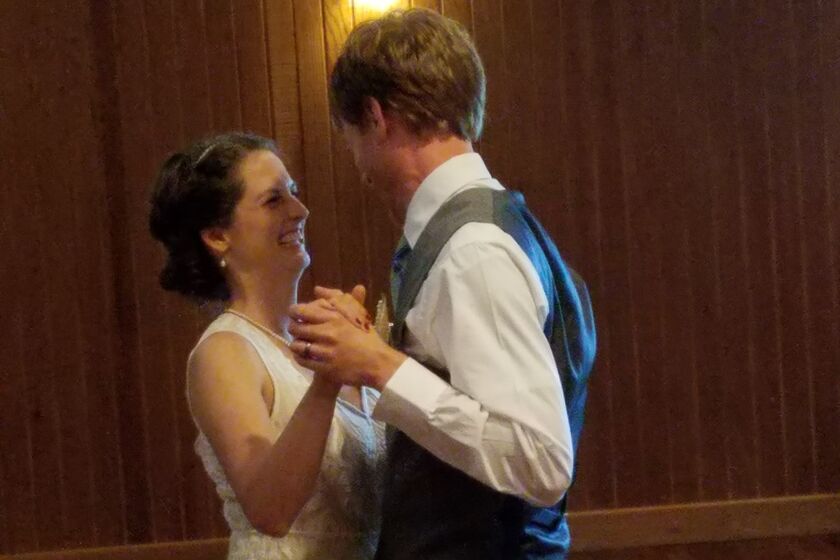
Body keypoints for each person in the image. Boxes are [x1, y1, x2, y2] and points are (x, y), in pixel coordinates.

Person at [288, 8, 597, 559]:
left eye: (349, 135)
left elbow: (540, 460)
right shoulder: (482, 229)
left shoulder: (472, 250)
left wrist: (380, 367)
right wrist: (371, 347)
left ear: (375, 117)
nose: (354, 158)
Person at [148, 132, 384, 559]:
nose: (300, 210)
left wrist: (373, 355)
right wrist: (327, 380)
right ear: (218, 236)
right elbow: (270, 510)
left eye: (294, 192)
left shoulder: (321, 336)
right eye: (274, 200)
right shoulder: (224, 353)